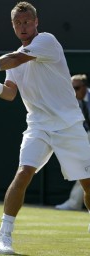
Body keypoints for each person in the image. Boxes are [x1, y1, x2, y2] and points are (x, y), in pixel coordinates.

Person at [0, 2, 90, 255]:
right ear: (13, 26)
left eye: (27, 22)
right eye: (18, 23)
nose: (23, 27)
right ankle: (3, 237)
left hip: (69, 124)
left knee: (88, 184)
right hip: (38, 126)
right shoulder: (14, 60)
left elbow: (15, 58)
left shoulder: (47, 41)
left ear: (36, 22)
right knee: (23, 173)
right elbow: (10, 94)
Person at [55, 74, 90, 211]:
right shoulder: (71, 102)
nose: (73, 92)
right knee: (84, 171)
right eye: (71, 89)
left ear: (84, 87)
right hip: (85, 136)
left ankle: (74, 203)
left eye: (76, 88)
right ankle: (74, 203)